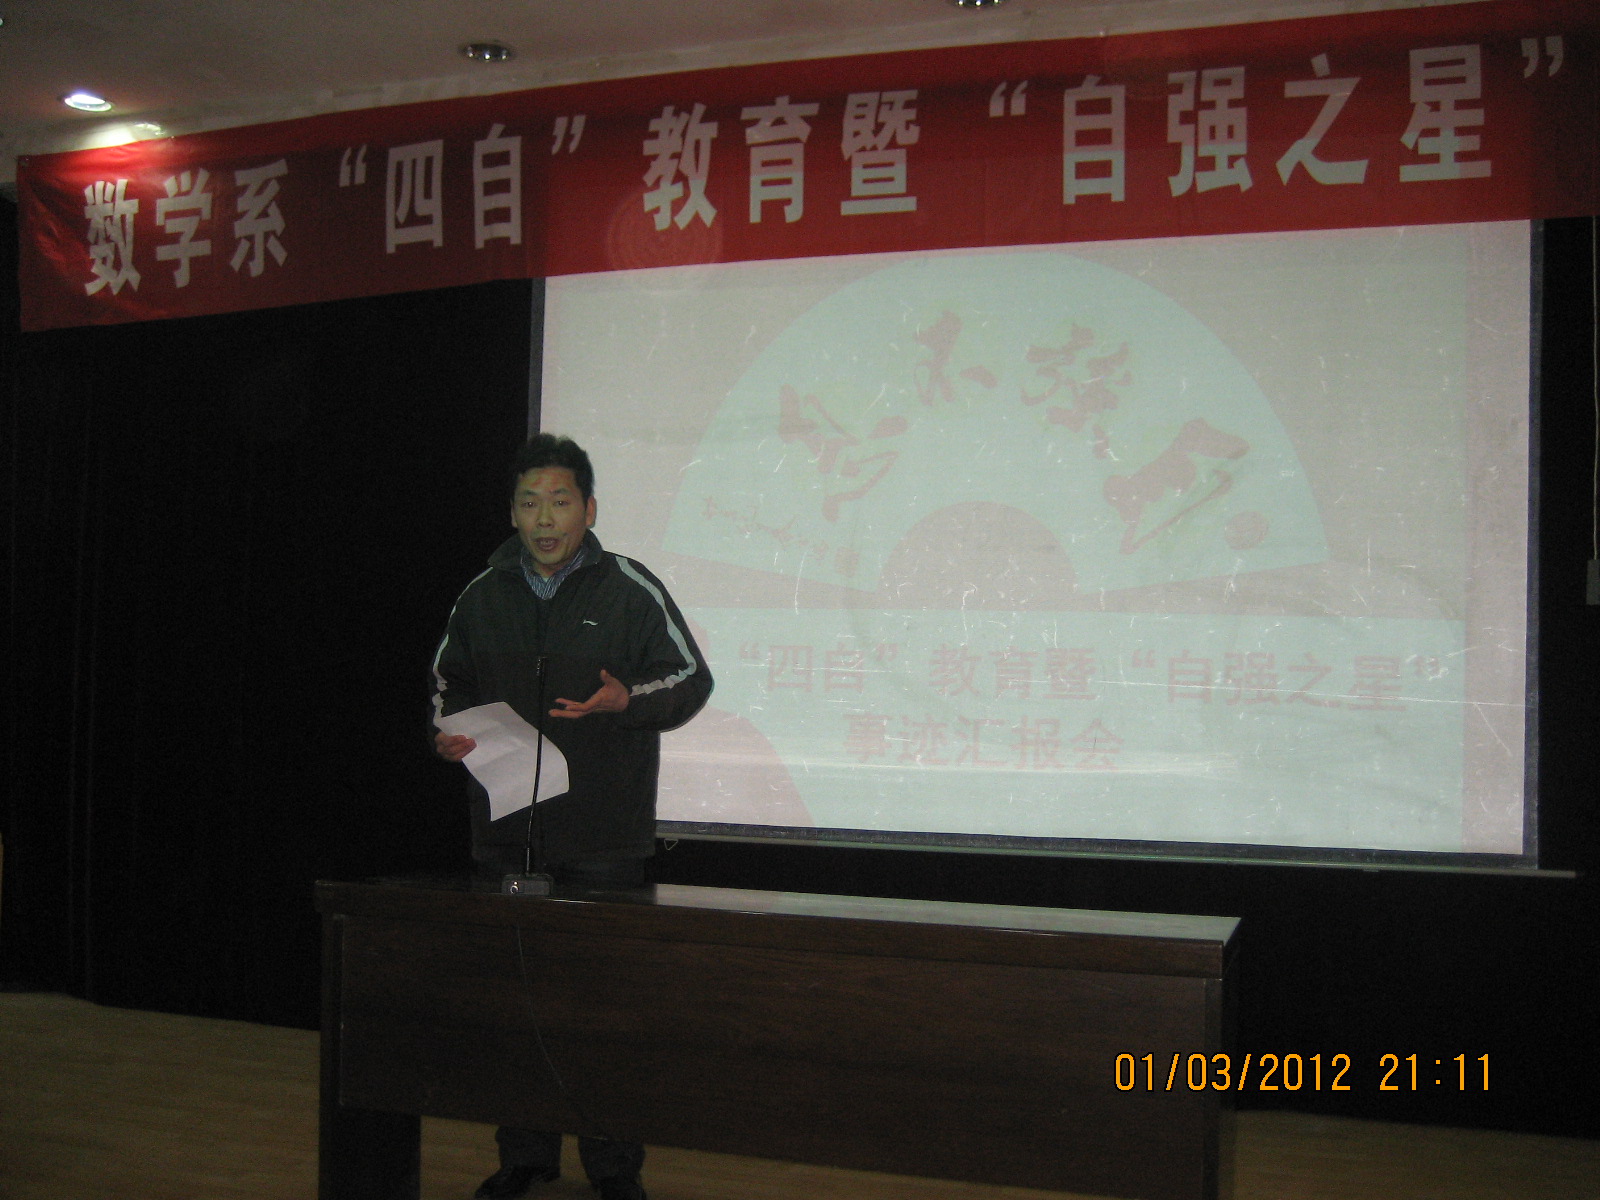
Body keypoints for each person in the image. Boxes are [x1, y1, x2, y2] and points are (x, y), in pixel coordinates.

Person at [431, 433, 712, 1200]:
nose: (544, 518)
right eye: (529, 503)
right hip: (508, 836)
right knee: (514, 1006)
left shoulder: (628, 588)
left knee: (604, 1011)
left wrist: (626, 701)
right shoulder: (483, 594)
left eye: (559, 501)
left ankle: (614, 1168)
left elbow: (690, 679)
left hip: (602, 837)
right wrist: (445, 733)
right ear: (512, 513)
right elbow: (447, 685)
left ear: (589, 509)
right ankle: (525, 1155)